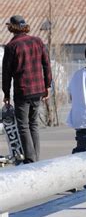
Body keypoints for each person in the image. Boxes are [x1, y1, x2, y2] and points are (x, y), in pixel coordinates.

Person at [2, 14, 52, 163]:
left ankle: (31, 159)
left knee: (23, 125)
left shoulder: (11, 46)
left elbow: (6, 73)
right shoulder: (37, 41)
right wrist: (47, 85)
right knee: (33, 124)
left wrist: (6, 93)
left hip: (22, 91)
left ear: (12, 28)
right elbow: (46, 64)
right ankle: (36, 156)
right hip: (38, 90)